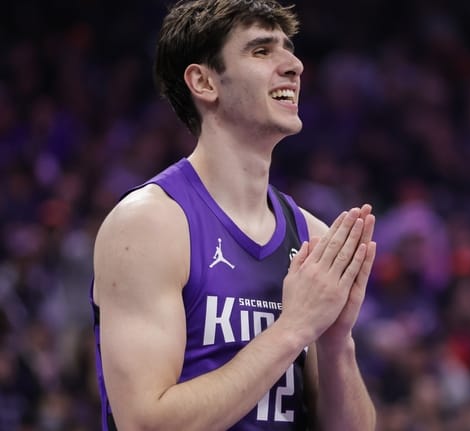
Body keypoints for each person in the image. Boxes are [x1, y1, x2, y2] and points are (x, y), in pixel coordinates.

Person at [90, 0, 377, 429]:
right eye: (262, 51)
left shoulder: (311, 235)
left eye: (289, 48)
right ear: (204, 82)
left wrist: (336, 341)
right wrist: (293, 328)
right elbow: (146, 423)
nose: (294, 65)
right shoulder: (149, 225)